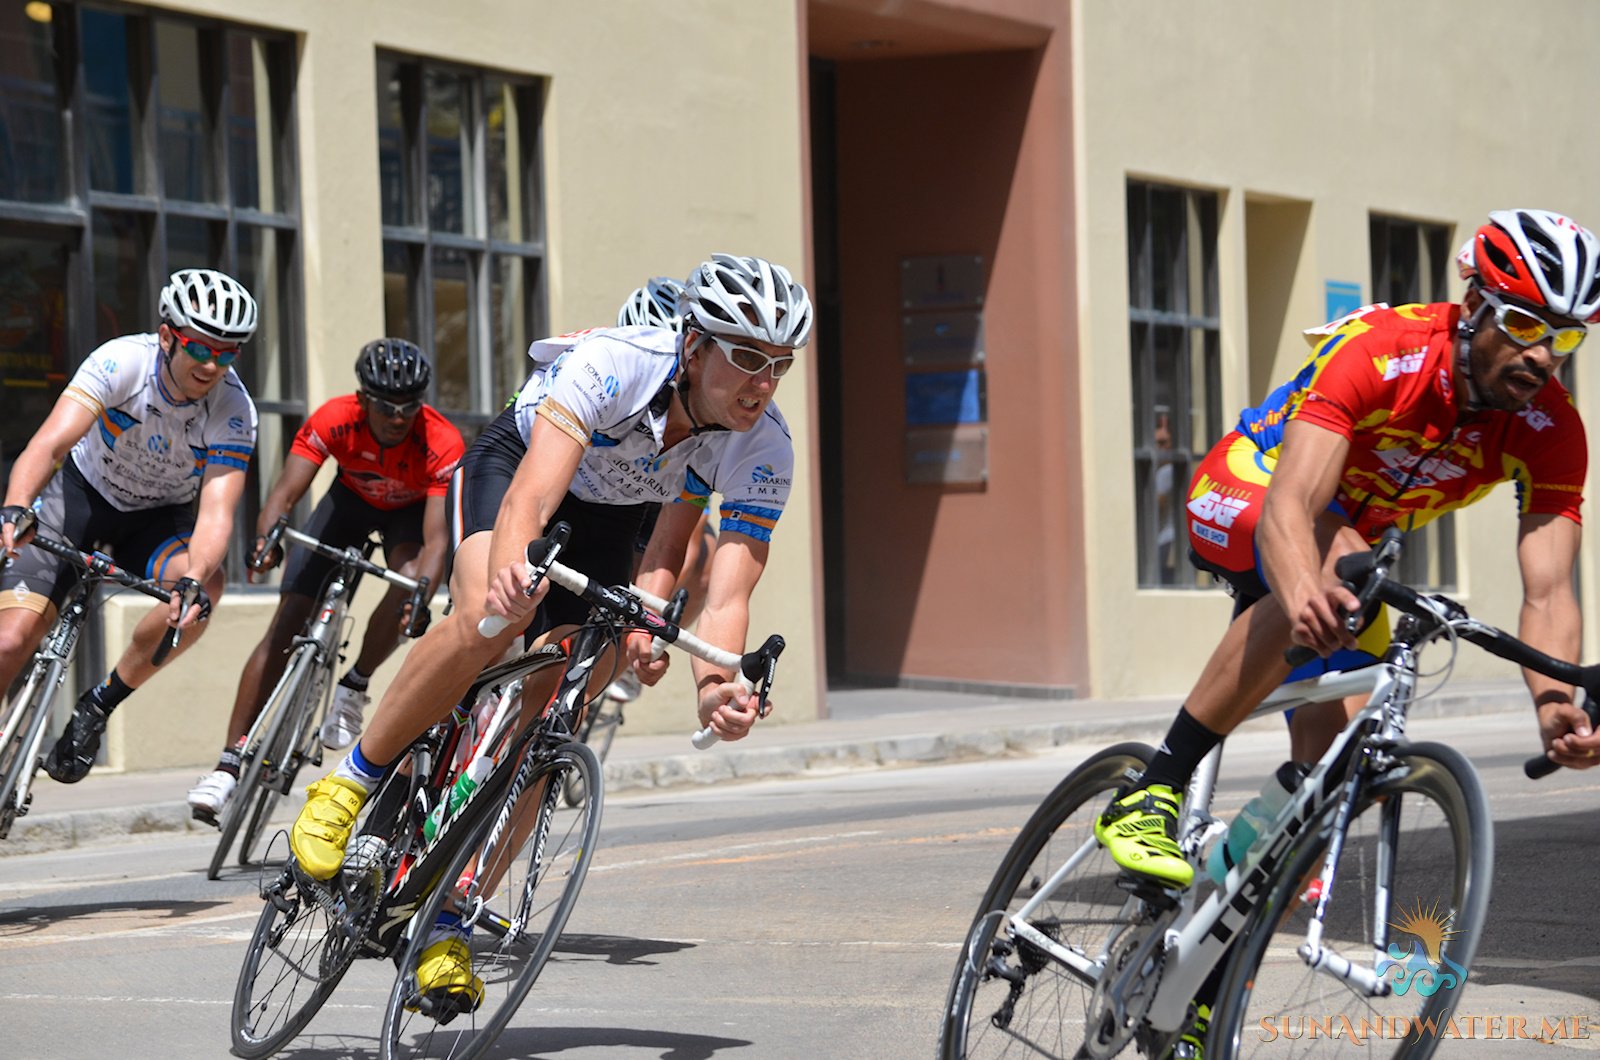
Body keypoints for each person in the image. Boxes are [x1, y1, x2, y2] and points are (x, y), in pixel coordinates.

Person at [287, 253, 812, 1005]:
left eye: (780, 365)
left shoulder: (764, 446)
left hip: (615, 518)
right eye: (748, 359)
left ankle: (449, 920)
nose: (764, 384)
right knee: (494, 615)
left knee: (559, 714)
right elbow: (532, 495)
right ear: (694, 347)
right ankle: (348, 786)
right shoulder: (616, 365)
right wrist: (511, 567)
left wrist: (714, 685)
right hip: (522, 466)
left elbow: (710, 578)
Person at [1097, 208, 1600, 891]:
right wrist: (1303, 590)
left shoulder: (1552, 429)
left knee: (1345, 763)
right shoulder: (1385, 350)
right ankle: (1151, 789)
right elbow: (1293, 505)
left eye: (1564, 336)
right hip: (1250, 488)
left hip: (1355, 557)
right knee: (1336, 563)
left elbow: (1550, 590)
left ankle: (1219, 906)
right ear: (1476, 302)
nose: (1543, 354)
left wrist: (1553, 704)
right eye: (1524, 325)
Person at [185, 339, 464, 822]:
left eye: (409, 407)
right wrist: (266, 539)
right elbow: (285, 494)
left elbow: (436, 540)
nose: (398, 417)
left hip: (408, 516)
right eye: (385, 406)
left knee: (409, 575)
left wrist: (422, 592)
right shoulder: (334, 417)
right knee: (288, 620)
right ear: (363, 400)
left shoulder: (441, 441)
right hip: (347, 505)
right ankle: (228, 764)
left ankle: (355, 684)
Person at [0, 269, 259, 784]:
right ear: (167, 336)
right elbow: (48, 446)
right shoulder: (122, 361)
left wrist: (191, 580)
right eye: (200, 348)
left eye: (227, 353)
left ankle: (100, 702)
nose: (212, 364)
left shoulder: (235, 409)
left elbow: (216, 512)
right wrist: (15, 506)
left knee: (205, 587)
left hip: (155, 520)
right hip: (81, 497)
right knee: (10, 641)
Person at [608, 276, 719, 701]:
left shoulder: (704, 426)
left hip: (651, 510)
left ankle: (622, 660)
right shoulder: (611, 382)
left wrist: (646, 625)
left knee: (702, 559)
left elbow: (685, 542)